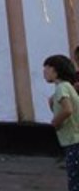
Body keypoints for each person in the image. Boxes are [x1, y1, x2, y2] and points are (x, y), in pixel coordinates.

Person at [44, 54, 79, 191]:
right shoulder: (67, 87)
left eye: (47, 68)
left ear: (56, 71)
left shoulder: (61, 88)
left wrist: (55, 123)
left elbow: (68, 110)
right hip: (74, 139)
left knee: (75, 181)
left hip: (73, 142)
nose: (44, 71)